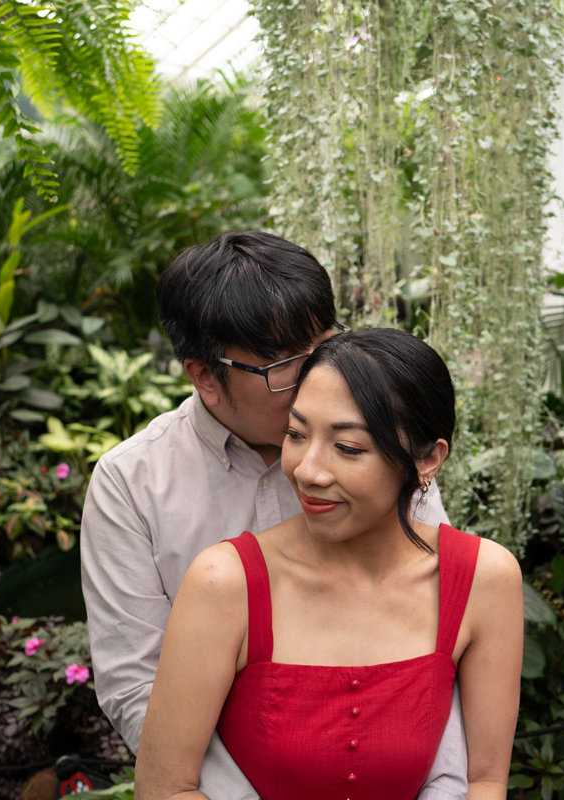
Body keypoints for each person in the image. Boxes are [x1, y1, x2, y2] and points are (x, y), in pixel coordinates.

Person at [80, 231, 466, 799]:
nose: (320, 376)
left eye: (326, 345)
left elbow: (441, 641)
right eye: (286, 365)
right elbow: (136, 683)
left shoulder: (382, 446)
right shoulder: (131, 483)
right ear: (206, 377)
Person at [134, 329, 524, 800]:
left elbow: (483, 781)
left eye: (349, 448)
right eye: (296, 435)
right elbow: (164, 788)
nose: (307, 470)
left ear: (427, 460)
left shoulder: (483, 579)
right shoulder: (225, 583)